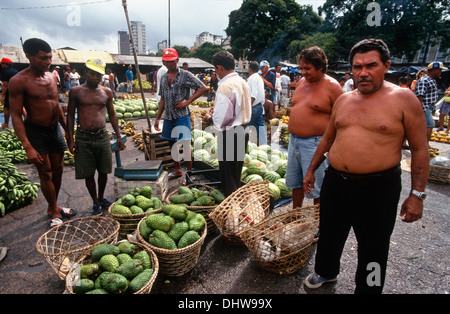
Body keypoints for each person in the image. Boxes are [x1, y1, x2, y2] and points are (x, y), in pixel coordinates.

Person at [303, 39, 429, 294]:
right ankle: (326, 271)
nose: (363, 72)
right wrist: (311, 169)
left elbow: (420, 149)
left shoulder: (404, 99)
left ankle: (369, 288)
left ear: (387, 66)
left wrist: (417, 195)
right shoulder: (344, 99)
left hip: (379, 187)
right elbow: (328, 138)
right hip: (336, 181)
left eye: (371, 65)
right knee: (329, 232)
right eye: (357, 67)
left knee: (375, 244)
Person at [9, 38, 76, 229]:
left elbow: (57, 107)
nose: (48, 62)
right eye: (42, 58)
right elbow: (15, 115)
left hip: (54, 129)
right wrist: (27, 146)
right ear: (29, 56)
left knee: (58, 169)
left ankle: (52, 206)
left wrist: (68, 132)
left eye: (49, 57)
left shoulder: (51, 77)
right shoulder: (18, 81)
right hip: (35, 132)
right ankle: (55, 211)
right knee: (45, 172)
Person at [286, 46, 343, 210]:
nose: (303, 72)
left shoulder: (333, 87)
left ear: (321, 67)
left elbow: (342, 118)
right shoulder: (302, 82)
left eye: (308, 68)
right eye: (301, 68)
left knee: (317, 188)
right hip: (294, 141)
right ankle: (296, 215)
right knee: (296, 183)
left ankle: (319, 224)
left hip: (316, 144)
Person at [67, 58, 123, 216]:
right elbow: (70, 115)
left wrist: (118, 136)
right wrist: (70, 139)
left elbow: (112, 114)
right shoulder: (76, 91)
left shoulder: (106, 92)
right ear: (86, 73)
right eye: (93, 74)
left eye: (99, 75)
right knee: (88, 172)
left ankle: (101, 196)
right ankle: (95, 201)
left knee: (104, 170)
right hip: (83, 137)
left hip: (102, 136)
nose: (96, 78)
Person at [203, 51, 252, 197]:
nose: (216, 73)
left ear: (220, 67)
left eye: (216, 70)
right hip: (243, 131)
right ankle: (236, 202)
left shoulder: (225, 86)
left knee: (227, 175)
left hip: (230, 133)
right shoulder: (243, 82)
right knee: (236, 172)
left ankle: (231, 211)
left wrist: (210, 118)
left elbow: (222, 118)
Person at [154, 48, 207, 179]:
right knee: (171, 143)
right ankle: (177, 169)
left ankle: (189, 173)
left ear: (177, 60)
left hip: (181, 116)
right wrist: (157, 118)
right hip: (168, 117)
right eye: (166, 62)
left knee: (185, 144)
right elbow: (162, 99)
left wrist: (187, 102)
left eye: (172, 61)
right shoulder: (164, 77)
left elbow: (203, 88)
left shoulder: (185, 75)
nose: (169, 64)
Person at [415, 61, 446, 146]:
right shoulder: (424, 80)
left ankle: (424, 144)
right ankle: (425, 145)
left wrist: (432, 109)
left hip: (428, 107)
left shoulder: (431, 80)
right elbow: (419, 96)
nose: (440, 72)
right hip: (424, 107)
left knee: (426, 126)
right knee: (430, 125)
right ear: (434, 70)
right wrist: (420, 110)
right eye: (439, 70)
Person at [247, 61, 267, 146]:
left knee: (245, 127)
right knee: (260, 127)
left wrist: (248, 107)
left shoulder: (252, 78)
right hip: (259, 107)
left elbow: (253, 95)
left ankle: (243, 146)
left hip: (254, 106)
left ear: (250, 69)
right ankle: (264, 145)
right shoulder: (259, 77)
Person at [1, 58, 18, 129]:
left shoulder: (5, 71)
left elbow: (5, 85)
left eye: (2, 64)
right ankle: (26, 123)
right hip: (19, 91)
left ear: (5, 64)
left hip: (11, 91)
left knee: (6, 108)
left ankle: (6, 124)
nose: (1, 65)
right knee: (20, 107)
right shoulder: (15, 71)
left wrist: (2, 96)